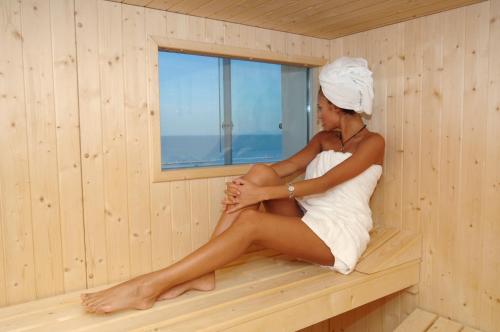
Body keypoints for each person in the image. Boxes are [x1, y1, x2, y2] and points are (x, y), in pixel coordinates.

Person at [80, 56, 385, 314]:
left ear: (338, 104)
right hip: (306, 219)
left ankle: (150, 285)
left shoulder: (373, 143)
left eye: (321, 107)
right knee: (261, 171)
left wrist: (261, 194)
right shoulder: (323, 140)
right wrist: (244, 185)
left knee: (252, 219)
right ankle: (204, 273)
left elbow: (324, 183)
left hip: (337, 234)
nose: (318, 114)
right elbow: (286, 168)